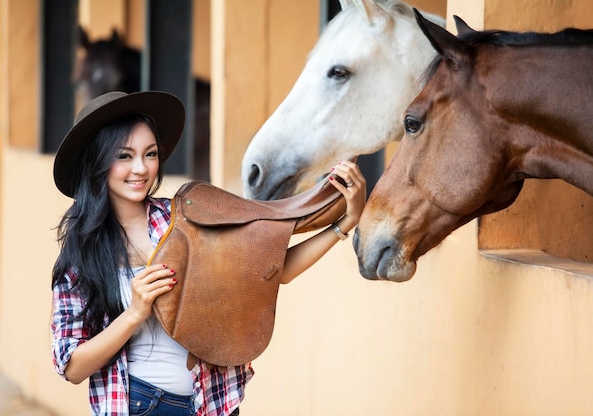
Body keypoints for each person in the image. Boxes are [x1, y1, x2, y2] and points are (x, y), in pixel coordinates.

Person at [50, 90, 366, 416]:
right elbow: (72, 366)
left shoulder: (185, 218)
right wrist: (134, 312)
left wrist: (343, 224)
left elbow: (272, 270)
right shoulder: (81, 253)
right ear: (98, 162)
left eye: (150, 154)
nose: (141, 168)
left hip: (212, 403)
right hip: (139, 405)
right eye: (125, 156)